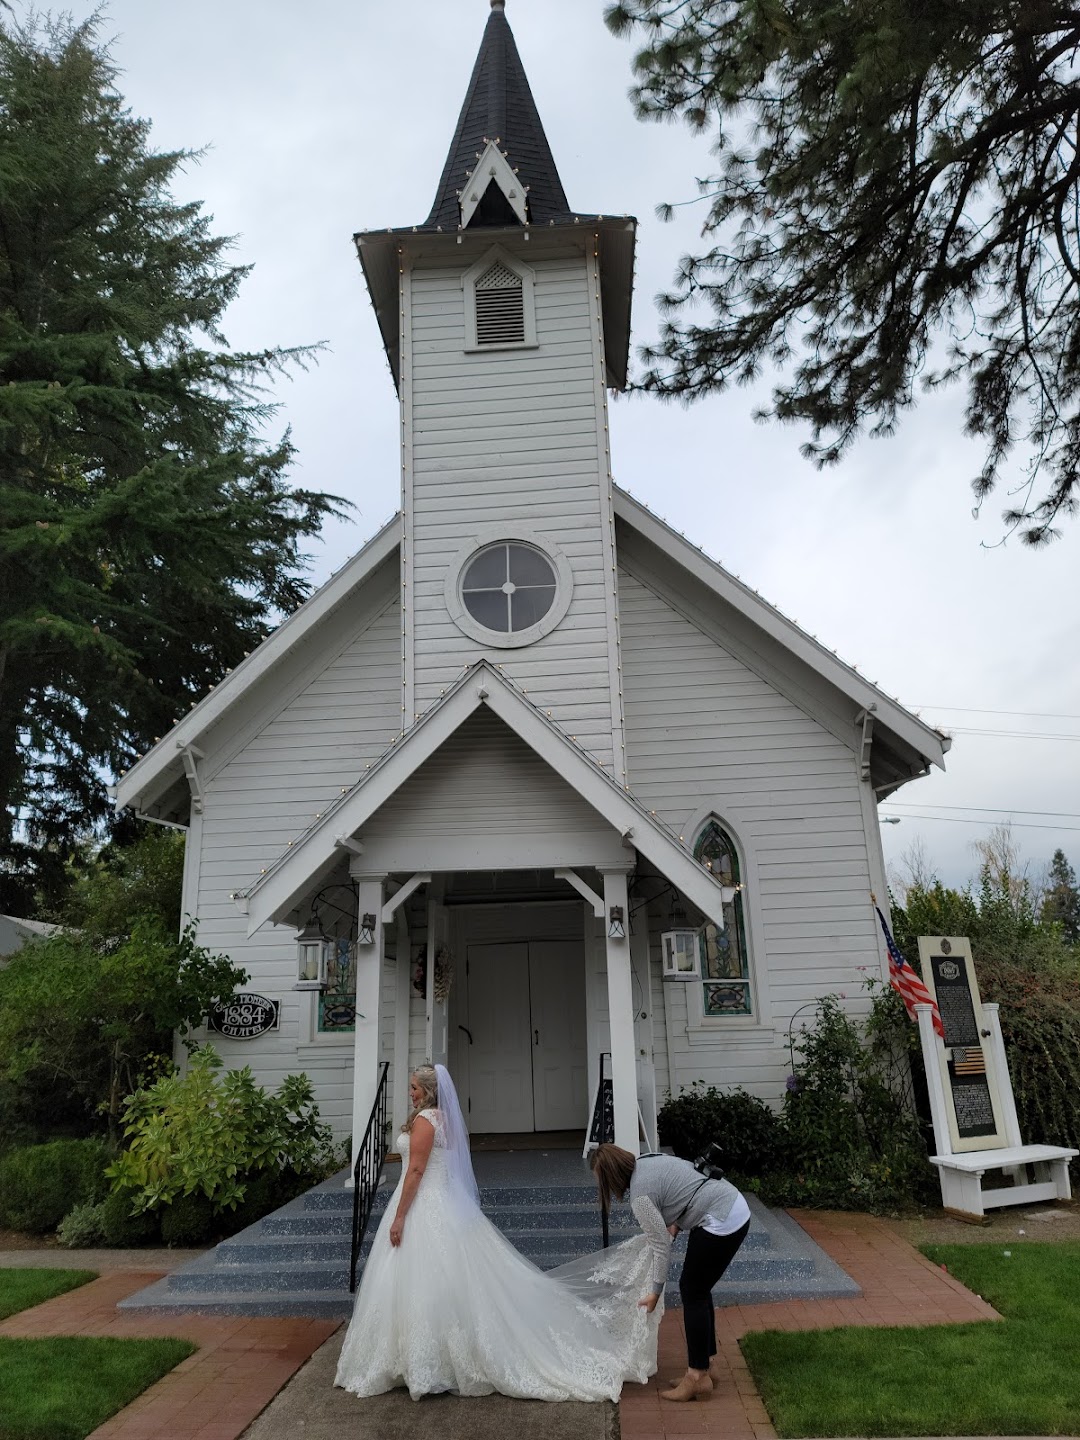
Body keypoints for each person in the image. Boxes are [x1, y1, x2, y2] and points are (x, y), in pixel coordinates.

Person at [335, 1063, 661, 1402]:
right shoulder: (441, 1119)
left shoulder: (425, 1121)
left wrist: (399, 1217)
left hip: (423, 1204)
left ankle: (426, 1362)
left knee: (423, 1281)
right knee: (444, 1281)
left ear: (429, 1090)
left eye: (415, 1086)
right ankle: (428, 1359)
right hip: (442, 1202)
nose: (410, 1091)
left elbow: (416, 1170)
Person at [588, 1142, 751, 1403]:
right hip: (732, 1204)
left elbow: (661, 1246)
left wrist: (655, 1291)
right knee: (699, 1288)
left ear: (612, 1177)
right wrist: (675, 1224)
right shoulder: (648, 1161)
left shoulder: (639, 1197)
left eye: (601, 1180)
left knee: (692, 1290)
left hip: (721, 1220)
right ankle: (707, 1366)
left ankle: (697, 1377)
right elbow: (683, 1188)